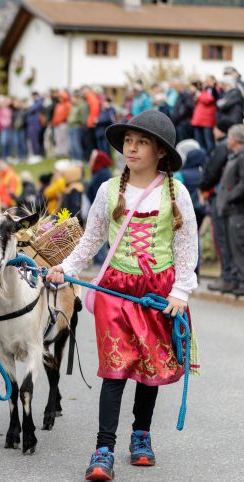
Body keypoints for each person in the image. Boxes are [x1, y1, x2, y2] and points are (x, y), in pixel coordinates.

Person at [46, 110, 198, 481]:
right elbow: (92, 238)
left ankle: (141, 436)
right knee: (114, 370)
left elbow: (186, 245)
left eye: (141, 142)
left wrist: (181, 290)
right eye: (128, 141)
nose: (131, 148)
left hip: (158, 294)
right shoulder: (108, 189)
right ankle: (103, 449)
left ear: (160, 151)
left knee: (150, 369)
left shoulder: (176, 193)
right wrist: (65, 269)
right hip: (116, 289)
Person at [200, 122, 238, 292]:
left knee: (222, 239)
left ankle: (228, 277)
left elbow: (211, 172)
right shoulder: (229, 149)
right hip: (227, 199)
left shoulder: (222, 148)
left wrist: (203, 186)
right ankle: (231, 277)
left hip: (221, 198)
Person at [215, 124, 244, 296]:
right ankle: (235, 280)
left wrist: (229, 197)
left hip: (236, 211)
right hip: (228, 211)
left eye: (229, 137)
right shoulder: (234, 156)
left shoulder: (241, 157)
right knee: (231, 247)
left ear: (234, 139)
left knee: (238, 247)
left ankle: (241, 281)